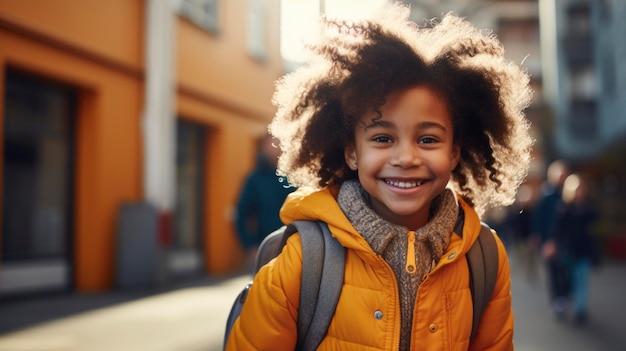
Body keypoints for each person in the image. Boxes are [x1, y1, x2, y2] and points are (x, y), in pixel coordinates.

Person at [226, 4, 533, 350]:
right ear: (352, 152)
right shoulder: (303, 260)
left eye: (428, 139)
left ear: (455, 152)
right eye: (383, 138)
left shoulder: (484, 258)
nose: (405, 158)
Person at [234, 133, 296, 269]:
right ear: (263, 147)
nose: (276, 147)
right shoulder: (255, 179)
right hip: (266, 249)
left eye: (279, 143)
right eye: (272, 143)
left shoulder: (295, 176)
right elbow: (241, 214)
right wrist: (250, 246)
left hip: (295, 247)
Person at [552, 174, 599, 325]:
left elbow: (595, 221)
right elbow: (558, 229)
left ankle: (581, 309)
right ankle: (565, 301)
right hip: (569, 251)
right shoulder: (564, 208)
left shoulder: (587, 208)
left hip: (583, 250)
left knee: (582, 280)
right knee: (570, 280)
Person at [531, 159, 571, 319]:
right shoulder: (546, 195)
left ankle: (564, 296)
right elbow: (540, 218)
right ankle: (557, 300)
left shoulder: (567, 193)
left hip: (565, 241)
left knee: (566, 269)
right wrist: (542, 239)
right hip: (550, 240)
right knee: (554, 270)